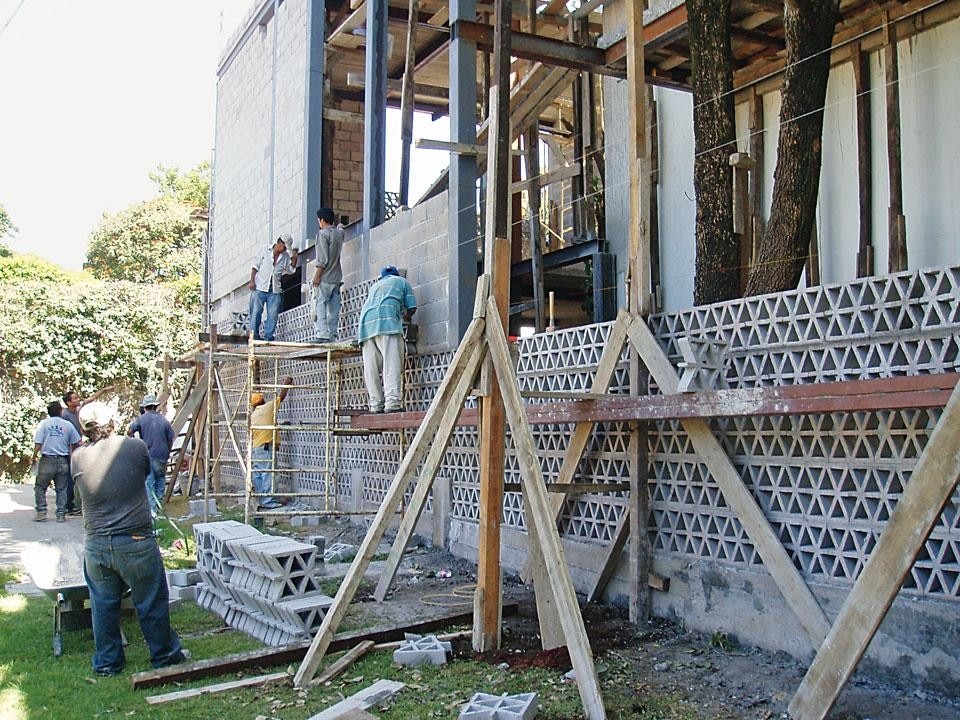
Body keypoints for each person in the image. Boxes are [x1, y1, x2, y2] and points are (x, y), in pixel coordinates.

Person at [72, 401, 188, 676]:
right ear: (112, 420)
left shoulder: (77, 457)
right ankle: (165, 656)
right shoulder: (133, 447)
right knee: (150, 601)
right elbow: (143, 475)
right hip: (135, 540)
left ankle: (108, 663)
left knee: (102, 605)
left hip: (97, 544)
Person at [357, 266, 417, 413]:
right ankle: (392, 403)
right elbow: (412, 307)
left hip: (365, 326)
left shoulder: (375, 286)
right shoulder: (402, 282)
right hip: (387, 323)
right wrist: (406, 318)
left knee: (371, 369)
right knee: (392, 364)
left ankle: (375, 405)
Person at [61, 384, 115, 515]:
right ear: (68, 402)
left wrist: (104, 390)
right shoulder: (65, 415)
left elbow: (91, 399)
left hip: (81, 443)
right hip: (72, 447)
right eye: (74, 398)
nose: (78, 399)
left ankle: (79, 504)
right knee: (71, 478)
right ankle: (70, 505)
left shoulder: (80, 410)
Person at [29, 401, 81, 522]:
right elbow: (76, 441)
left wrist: (34, 456)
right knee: (61, 488)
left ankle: (41, 512)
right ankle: (61, 514)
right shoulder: (67, 425)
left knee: (40, 487)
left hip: (47, 460)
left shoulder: (44, 424)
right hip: (63, 460)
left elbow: (38, 443)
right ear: (60, 411)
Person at [250, 376, 294, 509]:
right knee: (269, 473)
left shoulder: (253, 415)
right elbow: (282, 396)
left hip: (256, 448)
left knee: (258, 474)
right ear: (262, 400)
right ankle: (268, 501)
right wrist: (286, 383)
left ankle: (261, 500)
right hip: (266, 448)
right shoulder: (269, 407)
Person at [127, 394, 175, 515]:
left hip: (147, 455)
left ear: (145, 407)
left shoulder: (141, 419)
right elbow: (170, 438)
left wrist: (134, 443)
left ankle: (152, 510)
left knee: (149, 482)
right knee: (161, 480)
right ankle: (159, 506)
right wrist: (168, 451)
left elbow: (130, 431)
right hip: (162, 455)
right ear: (155, 406)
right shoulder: (164, 420)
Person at [248, 233, 299, 341]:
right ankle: (254, 337)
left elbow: (290, 270)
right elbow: (255, 266)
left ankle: (268, 337)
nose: (285, 250)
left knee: (273, 315)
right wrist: (252, 281)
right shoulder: (265, 250)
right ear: (279, 242)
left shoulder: (284, 257)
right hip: (260, 286)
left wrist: (294, 258)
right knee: (256, 312)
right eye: (284, 247)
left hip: (275, 289)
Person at [311, 207, 344, 343]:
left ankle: (322, 334)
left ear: (322, 220)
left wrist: (316, 277)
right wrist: (341, 226)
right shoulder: (339, 234)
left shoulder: (322, 234)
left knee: (320, 305)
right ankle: (332, 334)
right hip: (336, 278)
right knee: (334, 308)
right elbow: (342, 230)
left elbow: (322, 260)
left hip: (325, 277)